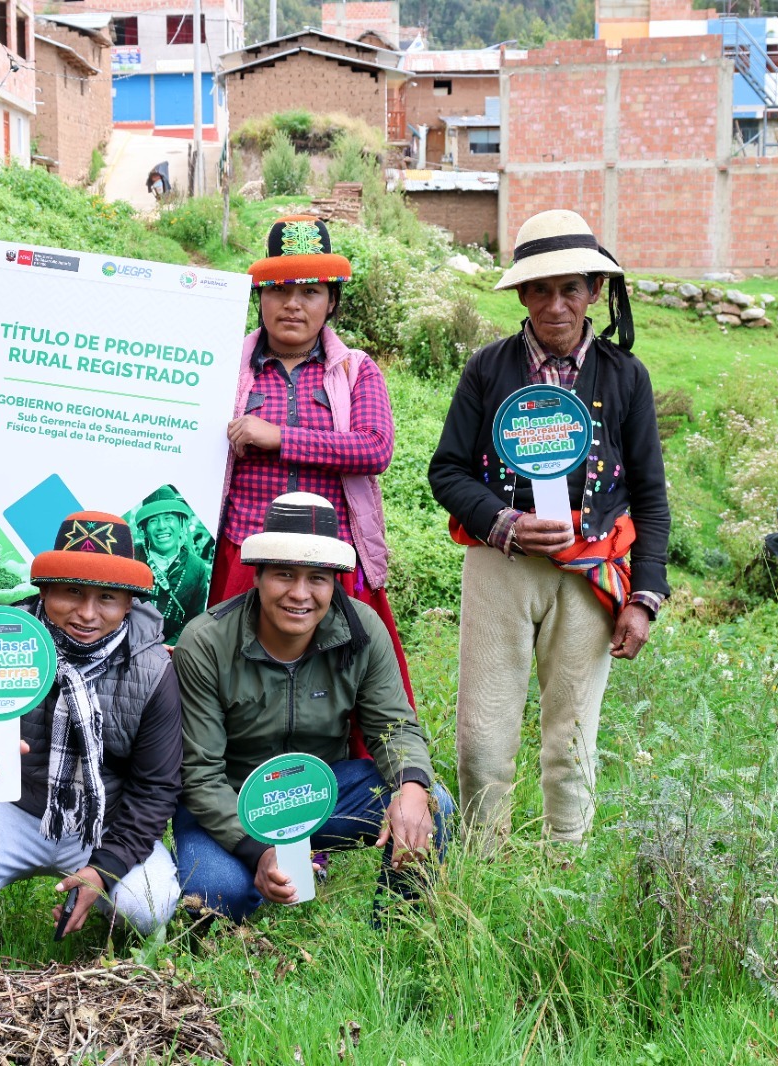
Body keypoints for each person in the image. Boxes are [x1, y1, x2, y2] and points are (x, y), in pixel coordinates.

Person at [427, 208, 669, 845]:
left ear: (594, 290)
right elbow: (447, 470)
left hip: (589, 573)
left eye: (570, 288)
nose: (555, 305)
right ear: (523, 295)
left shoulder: (624, 378)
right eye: (540, 289)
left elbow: (649, 495)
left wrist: (644, 597)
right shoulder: (488, 368)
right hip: (500, 568)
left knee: (573, 738)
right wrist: (503, 522)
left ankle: (568, 868)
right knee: (482, 737)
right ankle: (484, 867)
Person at [173, 493, 454, 923]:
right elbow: (201, 774)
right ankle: (261, 880)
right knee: (215, 895)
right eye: (284, 574)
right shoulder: (206, 641)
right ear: (259, 576)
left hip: (316, 795)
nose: (300, 594)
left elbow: (393, 727)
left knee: (431, 802)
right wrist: (258, 850)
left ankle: (399, 928)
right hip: (227, 800)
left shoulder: (361, 631)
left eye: (318, 578)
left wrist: (411, 786)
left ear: (334, 582)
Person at [0, 511, 182, 937]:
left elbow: (156, 787)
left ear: (130, 603)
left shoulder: (153, 670)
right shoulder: (5, 635)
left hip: (105, 819)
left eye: (108, 598)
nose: (87, 613)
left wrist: (105, 869)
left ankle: (99, 924)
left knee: (147, 906)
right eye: (71, 592)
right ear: (44, 590)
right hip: (16, 804)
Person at [210, 214, 417, 718]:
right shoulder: (221, 367)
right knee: (232, 678)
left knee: (349, 684)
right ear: (260, 297)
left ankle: (381, 782)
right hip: (246, 550)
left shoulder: (355, 370)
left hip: (333, 558)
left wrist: (278, 437)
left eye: (311, 292)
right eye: (279, 291)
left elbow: (373, 448)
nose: (293, 305)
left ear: (331, 302)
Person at [133, 485, 210, 644]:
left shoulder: (197, 568)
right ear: (145, 529)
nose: (161, 526)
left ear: (180, 523)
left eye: (168, 518)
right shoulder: (131, 556)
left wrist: (167, 648)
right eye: (153, 520)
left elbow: (194, 620)